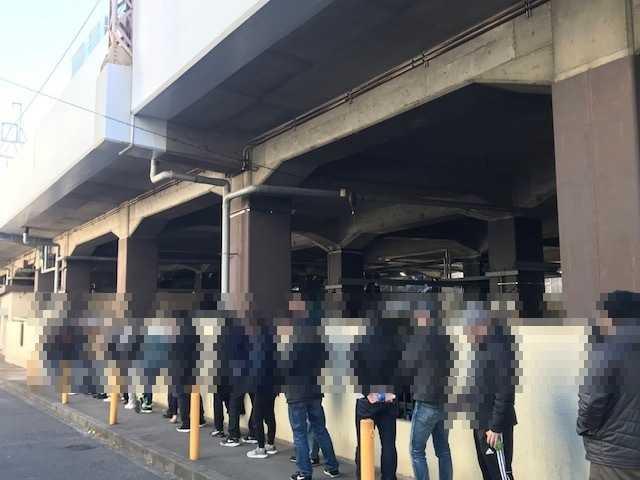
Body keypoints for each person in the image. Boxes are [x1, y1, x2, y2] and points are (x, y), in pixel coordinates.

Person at [578, 291, 640, 480]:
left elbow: (591, 400)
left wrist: (585, 428)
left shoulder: (606, 348)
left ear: (611, 316)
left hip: (613, 456)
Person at [280, 300, 340, 480]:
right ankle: (332, 466)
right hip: (314, 391)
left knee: (299, 434)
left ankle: (304, 472)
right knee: (320, 429)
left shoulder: (289, 339)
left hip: (296, 393)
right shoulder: (317, 336)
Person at [464, 305, 517, 480]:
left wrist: (495, 427)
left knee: (501, 475)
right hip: (481, 424)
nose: (467, 331)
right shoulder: (481, 345)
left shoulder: (500, 345)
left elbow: (505, 390)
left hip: (494, 428)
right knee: (488, 473)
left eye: (470, 326)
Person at [405, 301, 453, 480]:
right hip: (445, 401)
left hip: (426, 401)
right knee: (443, 450)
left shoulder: (419, 337)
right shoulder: (446, 335)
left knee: (416, 450)